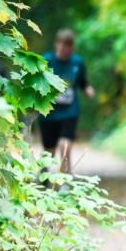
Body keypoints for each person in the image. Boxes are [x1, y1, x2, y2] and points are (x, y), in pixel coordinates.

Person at [39, 29, 95, 176]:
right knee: (49, 149)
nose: (65, 49)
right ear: (56, 44)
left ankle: (64, 177)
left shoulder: (77, 62)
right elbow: (36, 81)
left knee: (65, 145)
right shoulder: (47, 60)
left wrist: (88, 89)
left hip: (70, 111)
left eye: (69, 46)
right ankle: (44, 173)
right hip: (49, 112)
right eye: (62, 45)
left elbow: (83, 82)